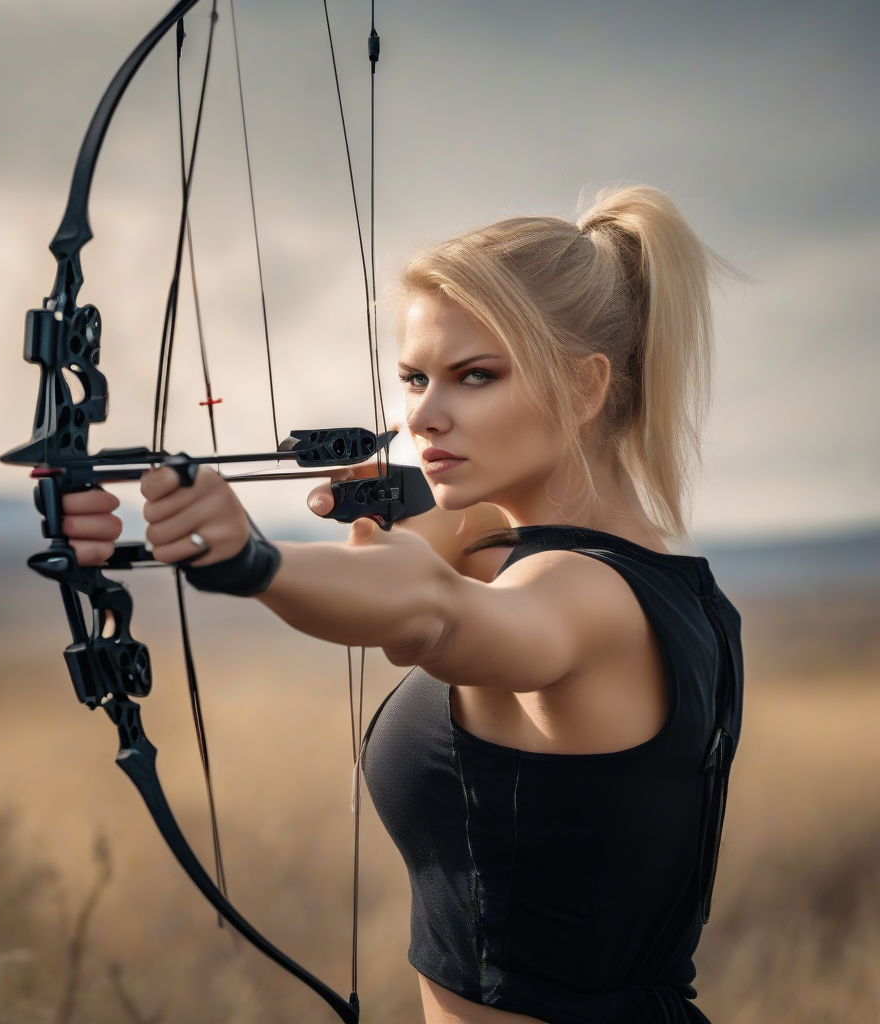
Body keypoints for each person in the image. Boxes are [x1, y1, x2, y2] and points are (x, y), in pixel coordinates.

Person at [61, 184, 743, 1024]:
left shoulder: (579, 595)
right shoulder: (563, 553)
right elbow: (399, 584)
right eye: (415, 378)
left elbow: (429, 614)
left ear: (585, 388)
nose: (424, 413)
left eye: (475, 377)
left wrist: (249, 558)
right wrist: (126, 525)